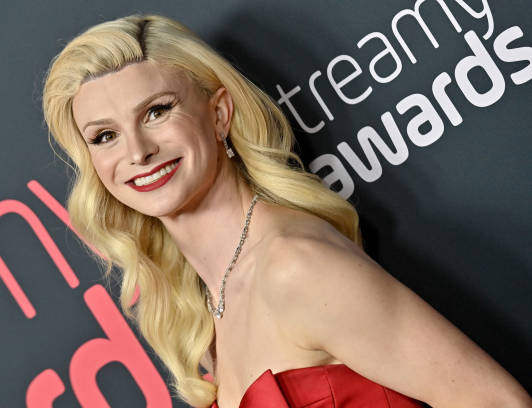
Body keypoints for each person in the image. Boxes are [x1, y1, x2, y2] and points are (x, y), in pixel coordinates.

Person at [42, 14, 531, 408]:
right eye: (104, 136)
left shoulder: (292, 266)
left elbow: (496, 400)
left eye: (157, 111)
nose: (137, 150)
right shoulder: (204, 311)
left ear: (219, 114)